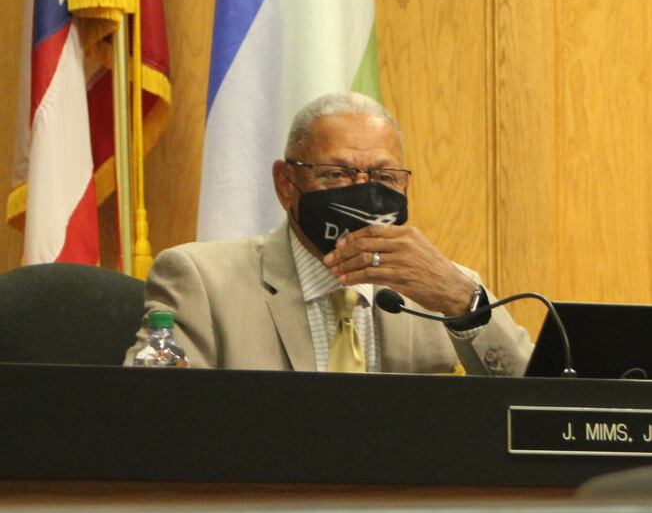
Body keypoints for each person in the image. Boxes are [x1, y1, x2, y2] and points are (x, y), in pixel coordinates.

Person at [124, 93, 533, 374]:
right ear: (286, 183)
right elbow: (156, 416)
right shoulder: (202, 281)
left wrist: (465, 304)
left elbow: (544, 402)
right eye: (336, 174)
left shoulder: (445, 290)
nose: (362, 191)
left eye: (383, 176)